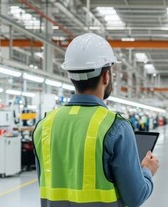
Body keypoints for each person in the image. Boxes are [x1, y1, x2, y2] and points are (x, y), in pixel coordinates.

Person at [33, 33, 159, 207]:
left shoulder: (44, 126)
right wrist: (147, 171)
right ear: (106, 76)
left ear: (71, 75)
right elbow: (135, 197)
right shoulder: (116, 127)